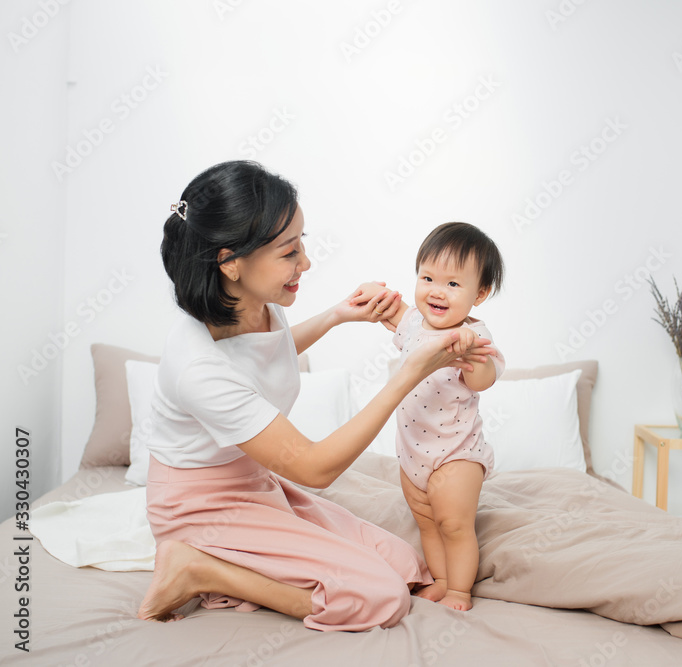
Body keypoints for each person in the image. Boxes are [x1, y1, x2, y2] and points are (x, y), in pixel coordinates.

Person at [138, 161, 496, 631]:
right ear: (231, 262)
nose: (305, 262)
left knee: (405, 566)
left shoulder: (249, 304)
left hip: (254, 484)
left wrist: (338, 316)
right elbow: (314, 468)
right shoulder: (198, 368)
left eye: (302, 244)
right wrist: (409, 374)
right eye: (290, 252)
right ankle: (198, 566)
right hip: (203, 506)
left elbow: (259, 355)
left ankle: (227, 562)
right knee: (381, 598)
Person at [373, 222, 504, 611]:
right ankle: (442, 579)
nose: (436, 291)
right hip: (412, 454)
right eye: (428, 277)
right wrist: (375, 295)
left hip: (456, 454)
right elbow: (394, 311)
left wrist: (468, 356)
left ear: (479, 293)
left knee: (454, 525)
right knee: (427, 523)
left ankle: (460, 591)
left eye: (453, 284)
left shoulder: (474, 338)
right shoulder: (415, 322)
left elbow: (484, 378)